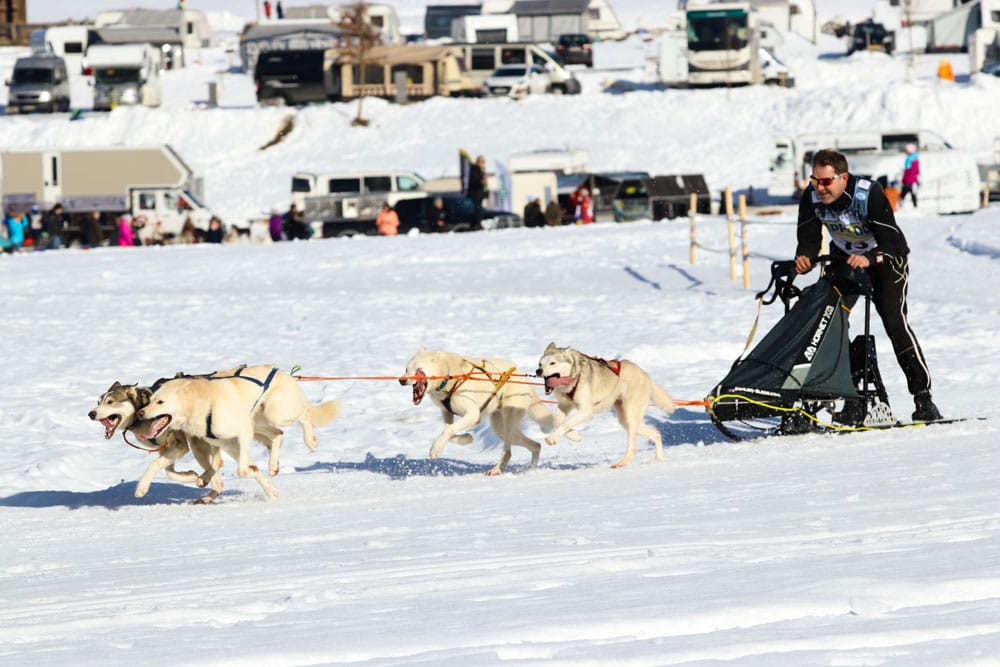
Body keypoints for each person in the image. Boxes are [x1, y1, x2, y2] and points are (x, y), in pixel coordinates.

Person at [795, 148, 941, 423]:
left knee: (894, 323)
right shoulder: (812, 195)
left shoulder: (867, 193)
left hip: (885, 258)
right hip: (844, 256)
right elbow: (809, 235)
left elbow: (888, 238)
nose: (820, 188)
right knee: (831, 323)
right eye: (816, 180)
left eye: (826, 182)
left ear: (843, 178)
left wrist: (869, 258)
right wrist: (805, 257)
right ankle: (851, 397)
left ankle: (923, 398)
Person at [466, 154, 487, 228]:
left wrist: (486, 193)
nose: (483, 163)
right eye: (482, 161)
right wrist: (480, 182)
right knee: (477, 210)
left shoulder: (482, 170)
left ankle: (478, 223)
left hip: (480, 194)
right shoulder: (474, 169)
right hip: (475, 194)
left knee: (479, 210)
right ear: (478, 161)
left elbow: (485, 184)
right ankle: (476, 224)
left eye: (484, 162)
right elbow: (472, 181)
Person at [900, 143, 919, 208]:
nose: (905, 151)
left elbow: (913, 172)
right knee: (904, 195)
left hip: (911, 181)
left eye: (906, 150)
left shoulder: (914, 160)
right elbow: (907, 171)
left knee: (911, 195)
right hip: (908, 180)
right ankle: (904, 206)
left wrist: (908, 181)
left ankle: (915, 207)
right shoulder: (909, 158)